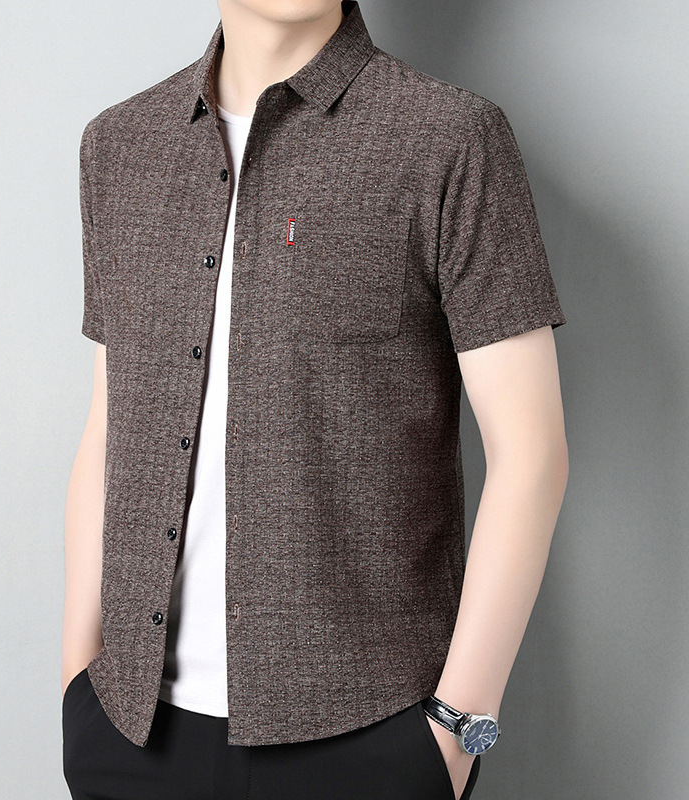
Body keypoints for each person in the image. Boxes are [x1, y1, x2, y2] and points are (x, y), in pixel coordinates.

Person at [60, 1, 569, 798]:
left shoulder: (449, 139)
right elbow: (109, 429)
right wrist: (79, 680)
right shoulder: (119, 147)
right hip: (132, 732)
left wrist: (454, 729)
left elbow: (532, 454)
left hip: (370, 737)